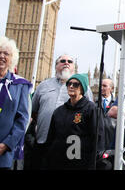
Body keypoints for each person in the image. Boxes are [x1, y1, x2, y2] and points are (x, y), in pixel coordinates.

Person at [31, 54, 94, 169]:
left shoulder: (84, 88)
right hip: (43, 141)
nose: (66, 63)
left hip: (70, 147)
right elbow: (33, 111)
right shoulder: (43, 86)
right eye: (62, 61)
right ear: (56, 66)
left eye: (70, 61)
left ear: (73, 68)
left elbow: (90, 113)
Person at [44, 73, 101, 170]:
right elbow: (51, 138)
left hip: (80, 163)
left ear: (82, 88)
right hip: (58, 163)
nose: (71, 86)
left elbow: (96, 139)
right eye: (69, 83)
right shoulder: (59, 111)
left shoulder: (91, 109)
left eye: (75, 84)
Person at [0, 37, 32, 169]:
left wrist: (6, 144)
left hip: (4, 152)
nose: (1, 56)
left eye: (6, 54)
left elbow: (22, 119)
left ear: (12, 59)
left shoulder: (20, 85)